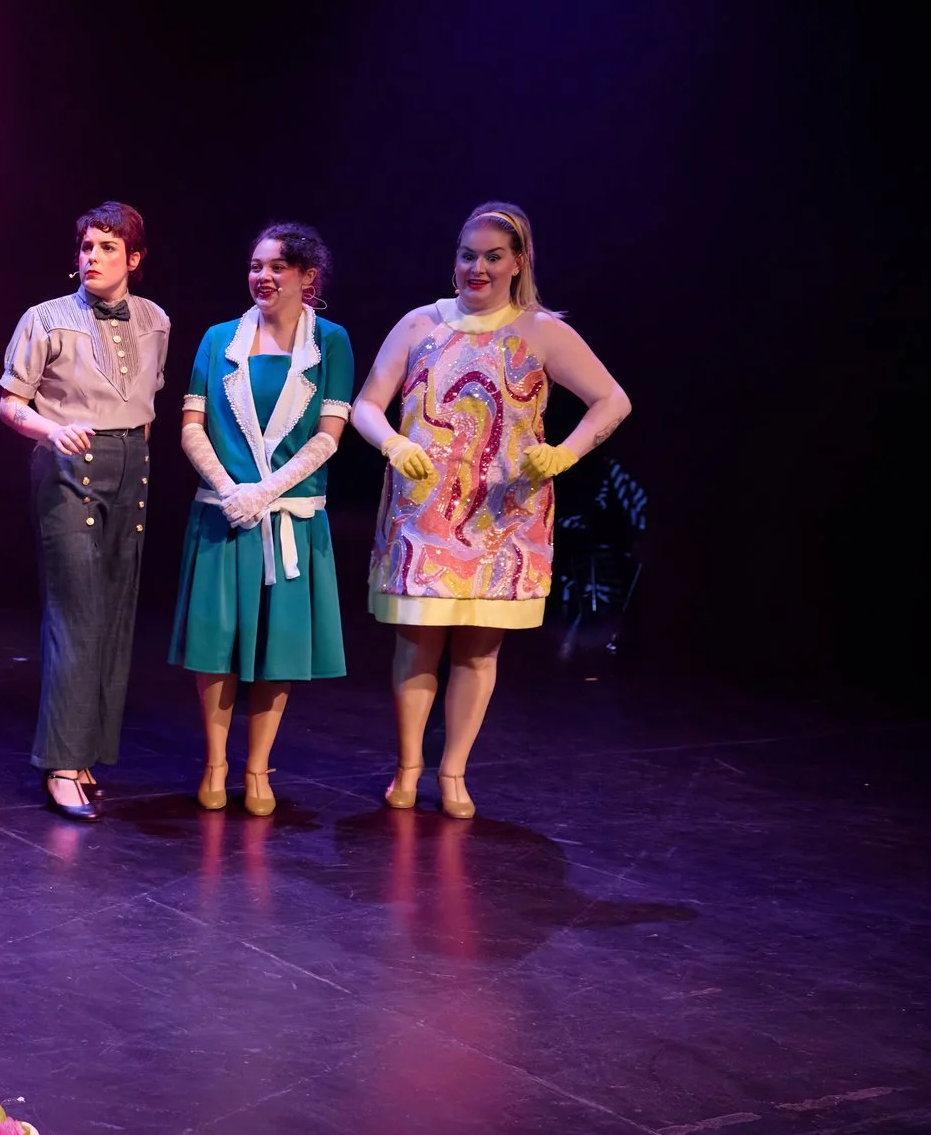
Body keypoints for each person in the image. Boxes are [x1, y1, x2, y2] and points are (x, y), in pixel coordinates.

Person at [349, 202, 631, 818]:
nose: (477, 267)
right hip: (422, 514)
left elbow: (612, 400)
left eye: (492, 256)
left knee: (479, 650)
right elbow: (366, 404)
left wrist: (564, 453)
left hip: (504, 514)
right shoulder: (420, 323)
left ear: (517, 262)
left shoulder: (539, 330)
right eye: (467, 255)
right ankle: (407, 768)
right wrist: (393, 442)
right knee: (416, 642)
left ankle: (453, 774)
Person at [167, 224, 353, 817]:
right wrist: (229, 490)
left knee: (278, 650)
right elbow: (191, 424)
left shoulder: (332, 343)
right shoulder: (219, 338)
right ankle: (216, 764)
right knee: (215, 646)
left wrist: (266, 490)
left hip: (290, 520)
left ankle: (257, 768)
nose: (263, 277)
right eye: (255, 265)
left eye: (277, 267)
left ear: (307, 277)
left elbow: (329, 436)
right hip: (223, 516)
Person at [0, 202, 172, 820]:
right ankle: (60, 765)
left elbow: (145, 403)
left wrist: (135, 461)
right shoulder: (45, 319)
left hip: (132, 468)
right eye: (86, 247)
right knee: (77, 613)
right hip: (70, 468)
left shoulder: (156, 321)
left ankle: (88, 752)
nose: (92, 257)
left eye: (105, 247)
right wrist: (49, 429)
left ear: (134, 259)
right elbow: (10, 405)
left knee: (117, 611)